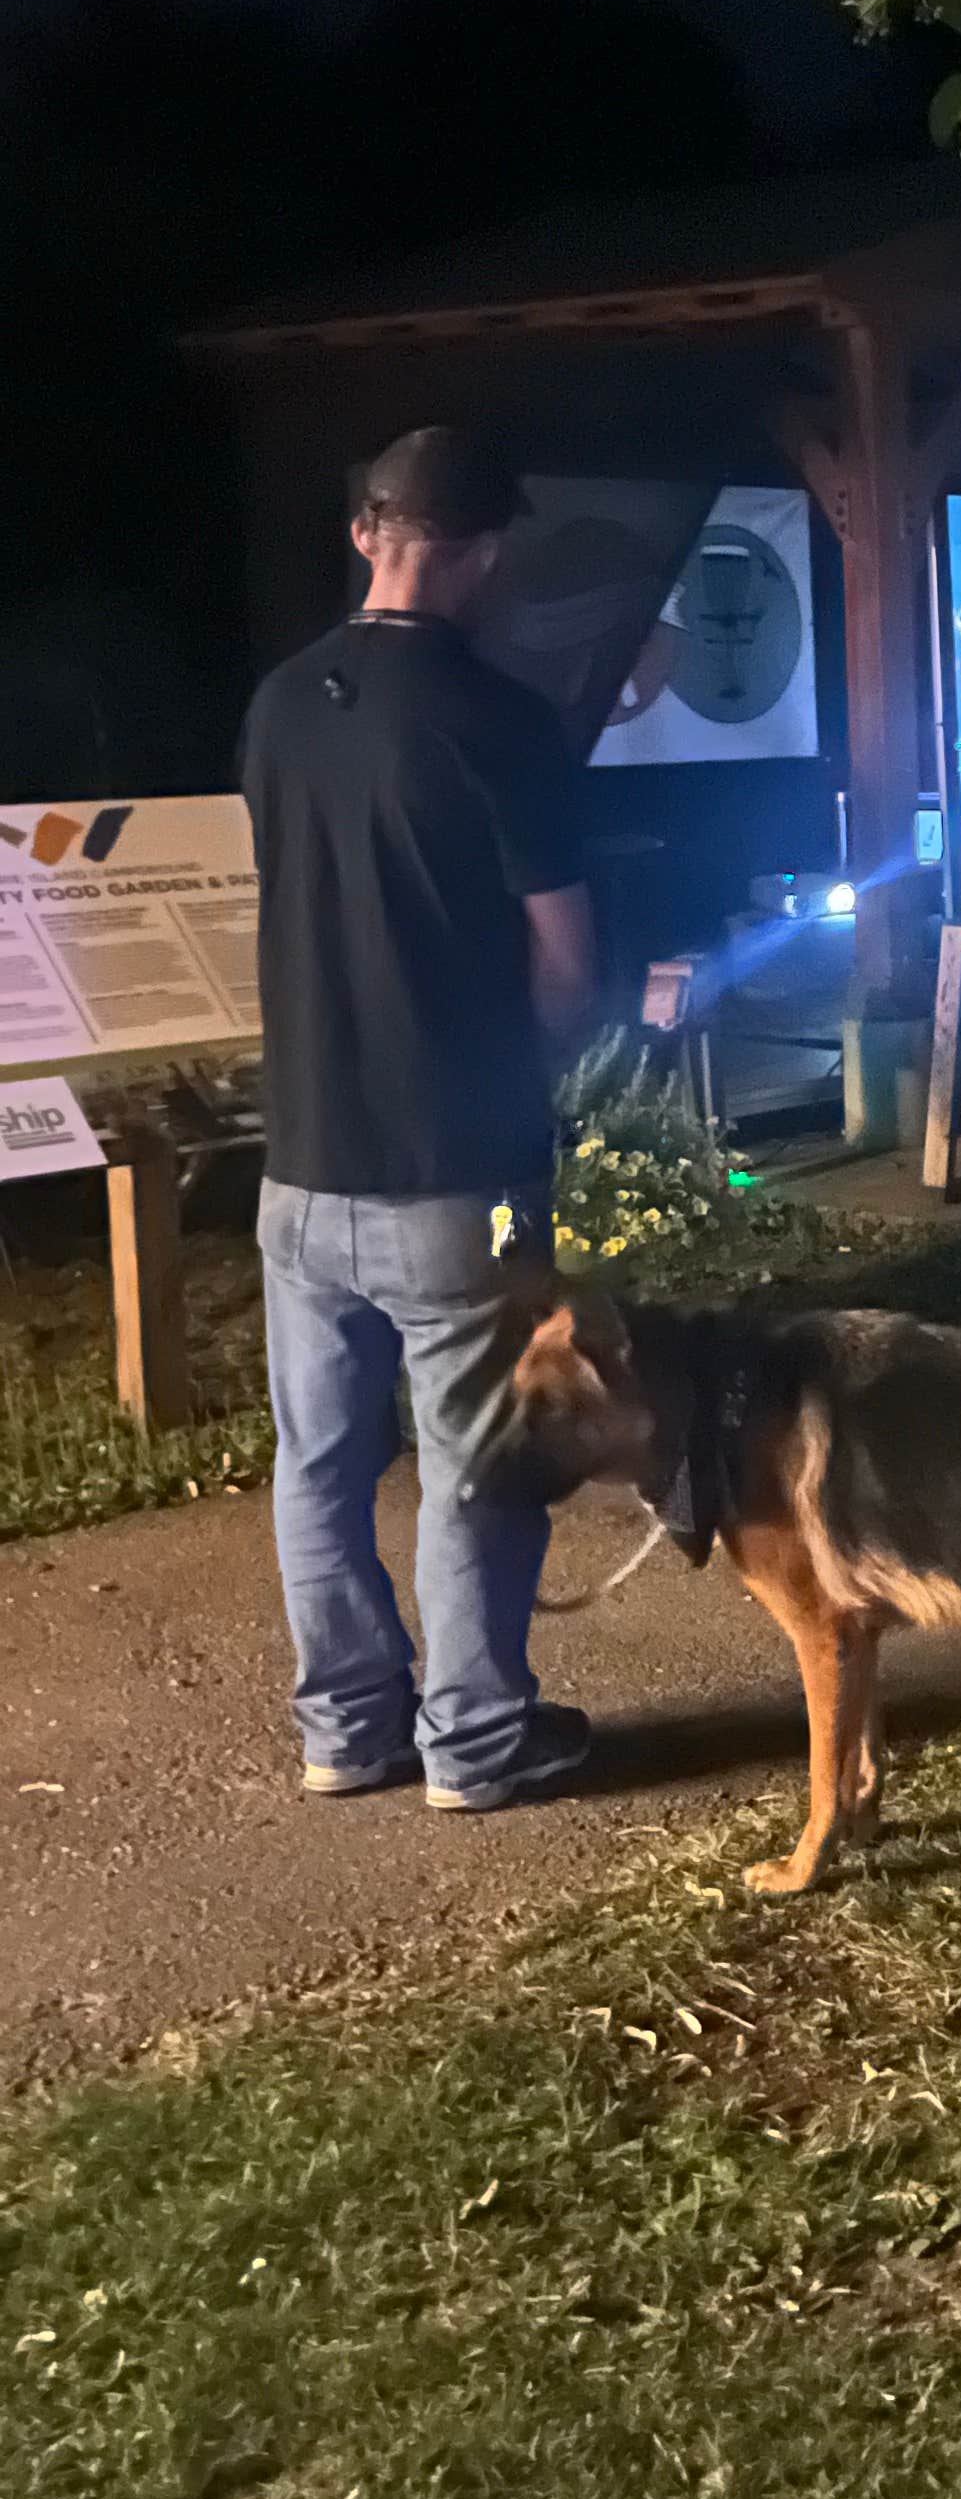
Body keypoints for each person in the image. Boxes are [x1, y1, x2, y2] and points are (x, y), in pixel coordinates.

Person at [240, 425, 600, 1809]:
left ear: (365, 531)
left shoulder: (278, 705)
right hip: (464, 1180)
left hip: (302, 1172)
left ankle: (347, 1732)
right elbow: (564, 968)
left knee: (321, 1466)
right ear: (491, 552)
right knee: (477, 1464)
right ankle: (478, 1743)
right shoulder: (503, 722)